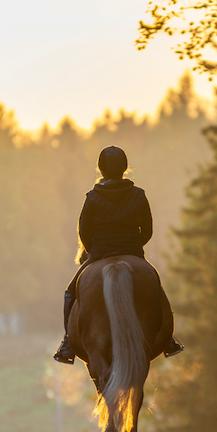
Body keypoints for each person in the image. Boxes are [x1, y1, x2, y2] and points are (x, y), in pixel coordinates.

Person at [54, 145, 184, 364]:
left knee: (70, 293)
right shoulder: (139, 195)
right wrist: (133, 247)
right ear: (125, 168)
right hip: (133, 250)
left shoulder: (92, 196)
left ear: (101, 169)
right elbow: (148, 230)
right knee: (156, 288)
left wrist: (94, 250)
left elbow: (83, 232)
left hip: (99, 253)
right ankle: (168, 339)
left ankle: (67, 343)